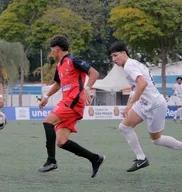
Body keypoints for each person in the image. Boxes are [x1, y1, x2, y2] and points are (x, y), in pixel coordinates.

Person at [109, 41, 182, 172]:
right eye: (112, 57)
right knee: (124, 127)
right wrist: (129, 105)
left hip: (155, 105)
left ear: (124, 53)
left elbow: (142, 84)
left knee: (156, 140)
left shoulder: (128, 66)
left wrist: (130, 104)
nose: (113, 59)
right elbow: (137, 87)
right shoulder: (133, 64)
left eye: (115, 55)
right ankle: (141, 158)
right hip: (145, 103)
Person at [38, 35, 105, 178]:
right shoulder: (60, 65)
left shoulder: (73, 60)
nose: (51, 54)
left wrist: (87, 88)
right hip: (68, 102)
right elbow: (58, 84)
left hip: (73, 101)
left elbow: (94, 73)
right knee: (61, 142)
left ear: (57, 49)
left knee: (47, 122)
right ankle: (95, 158)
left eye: (52, 51)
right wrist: (46, 97)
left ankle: (51, 161)